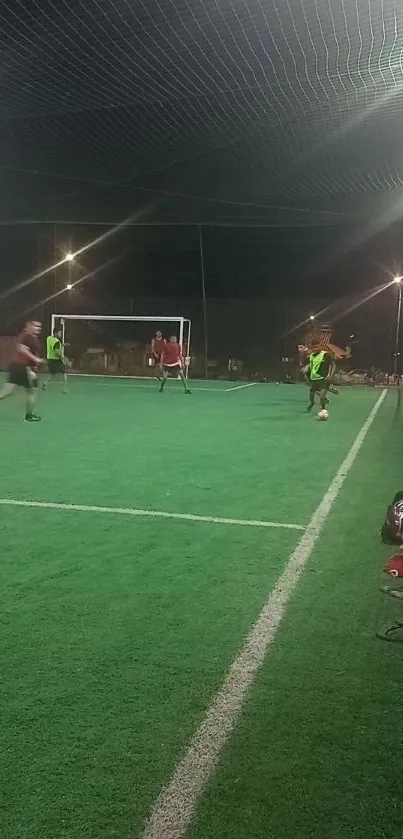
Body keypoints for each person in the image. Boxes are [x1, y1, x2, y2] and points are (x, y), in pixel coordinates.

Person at [0, 320, 43, 422]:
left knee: (7, 391)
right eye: (36, 326)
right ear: (29, 326)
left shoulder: (27, 336)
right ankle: (29, 416)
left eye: (39, 327)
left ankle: (29, 416)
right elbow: (21, 349)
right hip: (23, 367)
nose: (38, 328)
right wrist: (35, 360)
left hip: (16, 366)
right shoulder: (27, 335)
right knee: (32, 392)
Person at [305, 346, 335, 412]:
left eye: (316, 347)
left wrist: (331, 375)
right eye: (313, 347)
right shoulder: (311, 356)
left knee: (322, 396)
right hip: (313, 379)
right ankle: (312, 403)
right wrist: (306, 370)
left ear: (320, 346)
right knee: (311, 396)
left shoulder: (326, 355)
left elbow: (333, 365)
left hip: (324, 379)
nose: (315, 348)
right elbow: (310, 366)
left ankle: (323, 409)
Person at [42, 327, 68, 392]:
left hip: (50, 359)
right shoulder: (57, 341)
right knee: (64, 372)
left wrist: (63, 345)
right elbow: (56, 351)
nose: (61, 334)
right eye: (60, 333)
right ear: (56, 333)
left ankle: (45, 383)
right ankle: (65, 388)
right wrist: (63, 358)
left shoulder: (49, 338)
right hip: (56, 359)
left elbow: (53, 345)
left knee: (53, 374)